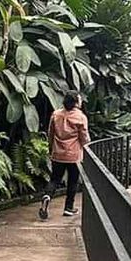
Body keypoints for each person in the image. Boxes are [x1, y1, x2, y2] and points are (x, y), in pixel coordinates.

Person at [40, 91, 89, 219]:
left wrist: (51, 148)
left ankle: (47, 195)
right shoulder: (80, 117)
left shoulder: (56, 114)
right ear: (76, 102)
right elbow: (84, 137)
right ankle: (68, 208)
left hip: (58, 153)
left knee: (55, 179)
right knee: (73, 181)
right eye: (79, 99)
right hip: (74, 155)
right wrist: (86, 148)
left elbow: (50, 133)